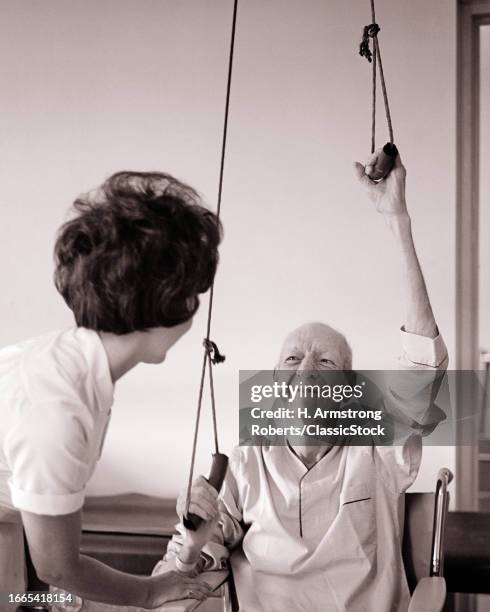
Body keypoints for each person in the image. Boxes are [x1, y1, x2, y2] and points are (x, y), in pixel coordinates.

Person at [153, 152, 449, 612]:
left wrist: (398, 221)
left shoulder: (378, 449)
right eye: (292, 358)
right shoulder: (247, 464)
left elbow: (424, 367)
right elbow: (176, 575)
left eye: (326, 362)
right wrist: (192, 544)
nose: (306, 370)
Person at [0, 171, 221, 608]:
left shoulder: (74, 362)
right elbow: (57, 568)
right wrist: (148, 590)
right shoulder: (56, 411)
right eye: (195, 297)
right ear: (167, 309)